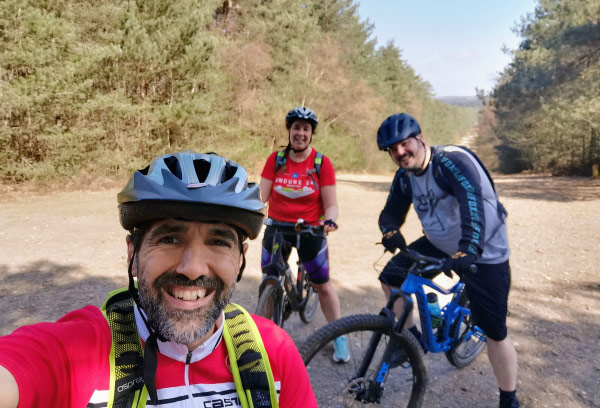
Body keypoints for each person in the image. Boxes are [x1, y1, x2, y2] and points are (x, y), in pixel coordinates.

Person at [0, 151, 316, 408]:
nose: (193, 269)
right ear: (133, 256)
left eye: (218, 242)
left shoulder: (273, 352)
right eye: (169, 239)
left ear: (240, 260)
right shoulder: (81, 350)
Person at [376, 113, 520, 408]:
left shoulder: (450, 162)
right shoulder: (405, 175)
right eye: (393, 149)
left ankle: (509, 397)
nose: (400, 153)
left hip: (484, 246)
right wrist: (390, 230)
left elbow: (473, 203)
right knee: (390, 278)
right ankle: (412, 339)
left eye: (405, 144)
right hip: (440, 241)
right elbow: (390, 210)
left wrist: (468, 251)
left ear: (420, 139)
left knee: (495, 330)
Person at [259, 106, 349, 363]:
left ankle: (339, 336)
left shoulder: (321, 163)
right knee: (269, 279)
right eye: (296, 127)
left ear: (311, 134)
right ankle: (266, 336)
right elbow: (261, 197)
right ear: (289, 131)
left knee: (322, 286)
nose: (300, 133)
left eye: (305, 129)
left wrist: (330, 219)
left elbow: (331, 203)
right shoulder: (276, 159)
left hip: (310, 229)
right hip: (277, 228)